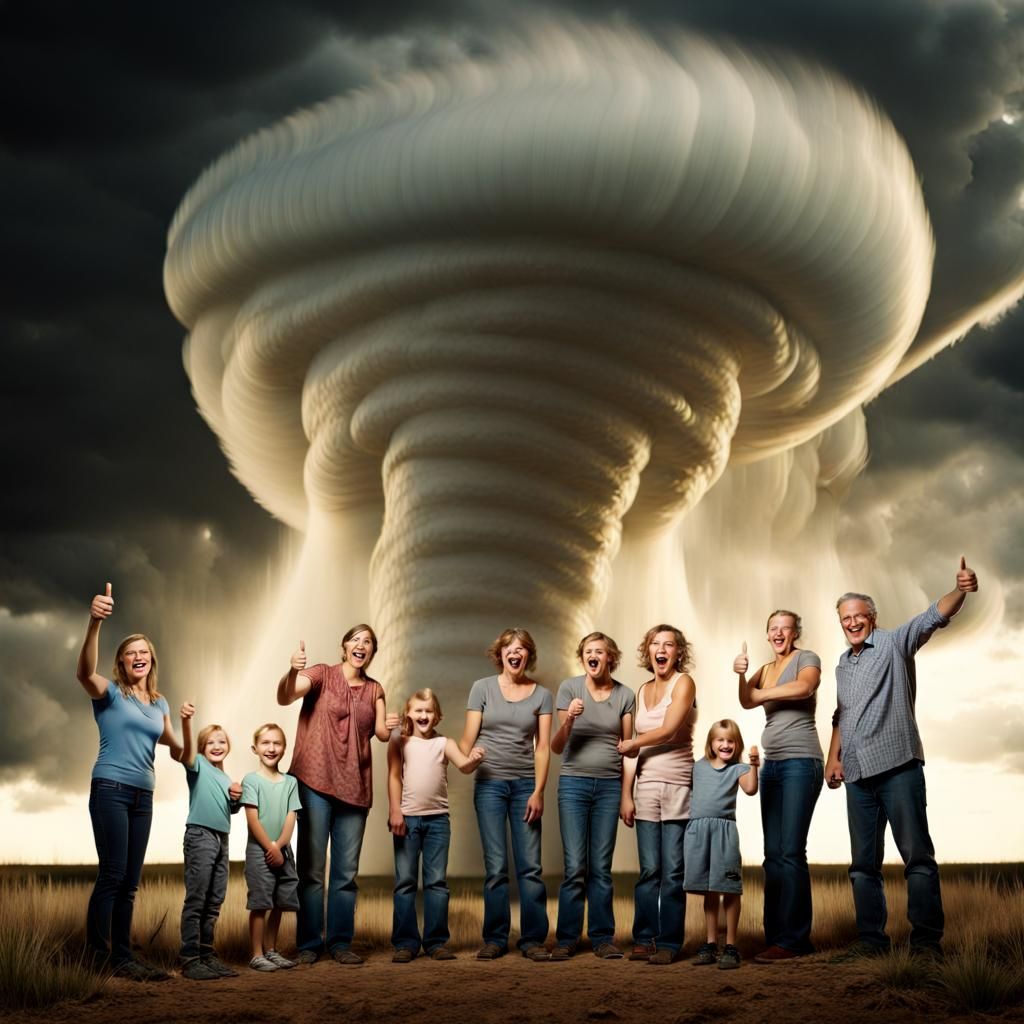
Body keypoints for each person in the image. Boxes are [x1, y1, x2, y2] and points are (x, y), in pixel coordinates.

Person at [826, 557, 979, 960]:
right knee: (862, 866)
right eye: (846, 618)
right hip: (857, 775)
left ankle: (927, 944)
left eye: (859, 616)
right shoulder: (843, 664)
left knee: (917, 857)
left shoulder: (895, 643)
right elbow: (841, 713)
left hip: (897, 766)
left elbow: (934, 615)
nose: (853, 623)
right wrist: (833, 758)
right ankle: (871, 941)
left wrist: (960, 589)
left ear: (872, 618)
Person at [76, 581, 182, 981]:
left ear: (152, 661)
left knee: (130, 882)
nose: (138, 657)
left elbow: (178, 748)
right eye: (130, 653)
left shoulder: (159, 704)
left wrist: (191, 731)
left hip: (144, 796)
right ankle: (96, 957)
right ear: (121, 662)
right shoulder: (109, 693)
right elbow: (83, 671)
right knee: (113, 875)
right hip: (111, 790)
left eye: (144, 653)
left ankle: (122, 957)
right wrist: (94, 622)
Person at [277, 627, 397, 965]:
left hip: (355, 789)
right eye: (356, 640)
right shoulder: (320, 674)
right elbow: (286, 696)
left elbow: (382, 734)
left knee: (345, 873)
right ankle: (309, 945)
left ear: (372, 652)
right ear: (344, 646)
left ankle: (341, 943)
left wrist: (392, 726)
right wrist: (292, 670)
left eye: (368, 642)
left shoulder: (375, 689)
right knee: (312, 870)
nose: (361, 645)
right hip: (314, 781)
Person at [734, 610, 823, 961]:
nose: (779, 633)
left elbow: (805, 687)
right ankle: (777, 938)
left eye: (785, 628)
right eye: (773, 628)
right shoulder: (765, 669)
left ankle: (795, 940)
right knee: (772, 857)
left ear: (795, 632)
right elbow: (745, 699)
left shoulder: (806, 658)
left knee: (790, 852)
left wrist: (760, 694)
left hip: (802, 763)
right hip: (772, 767)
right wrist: (742, 676)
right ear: (766, 634)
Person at [461, 627, 553, 961]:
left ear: (528, 655)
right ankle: (495, 939)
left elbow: (542, 747)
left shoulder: (542, 694)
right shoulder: (481, 688)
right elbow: (466, 740)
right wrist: (466, 760)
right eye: (509, 648)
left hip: (525, 786)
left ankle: (532, 940)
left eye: (522, 649)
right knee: (496, 866)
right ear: (499, 654)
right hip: (489, 786)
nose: (515, 653)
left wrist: (539, 791)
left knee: (530, 867)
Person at [549, 631, 635, 961]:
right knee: (574, 867)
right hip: (573, 785)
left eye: (600, 651)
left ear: (610, 657)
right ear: (582, 657)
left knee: (600, 866)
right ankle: (567, 938)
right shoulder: (570, 689)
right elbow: (557, 747)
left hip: (610, 788)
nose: (593, 655)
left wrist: (627, 795)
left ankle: (602, 938)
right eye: (588, 651)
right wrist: (569, 718)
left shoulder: (625, 694)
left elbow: (628, 750)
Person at [618, 624, 697, 965]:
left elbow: (670, 729)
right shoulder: (641, 690)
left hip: (679, 783)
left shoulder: (685, 683)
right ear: (648, 651)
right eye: (655, 644)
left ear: (679, 652)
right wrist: (626, 794)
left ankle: (669, 943)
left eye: (668, 644)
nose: (661, 649)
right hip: (646, 786)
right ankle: (644, 938)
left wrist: (635, 741)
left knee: (673, 871)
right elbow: (632, 755)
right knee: (649, 870)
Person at [387, 689, 486, 962]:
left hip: (438, 820)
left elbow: (464, 766)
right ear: (408, 713)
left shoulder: (444, 743)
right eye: (418, 710)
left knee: (436, 883)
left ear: (438, 716)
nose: (423, 715)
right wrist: (395, 810)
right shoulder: (400, 742)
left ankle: (435, 942)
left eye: (429, 711)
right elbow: (394, 776)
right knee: (406, 882)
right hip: (406, 819)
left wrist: (475, 759)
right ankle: (405, 943)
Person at [684, 720, 760, 970]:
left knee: (729, 888)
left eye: (730, 740)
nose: (725, 744)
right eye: (720, 740)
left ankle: (731, 946)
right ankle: (709, 943)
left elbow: (750, 789)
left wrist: (754, 765)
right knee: (709, 890)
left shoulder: (739, 769)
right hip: (699, 832)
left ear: (736, 744)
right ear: (711, 743)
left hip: (724, 832)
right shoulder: (697, 767)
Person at [177, 705, 243, 979]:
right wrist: (187, 722)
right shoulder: (198, 765)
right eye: (210, 742)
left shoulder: (225, 777)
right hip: (200, 835)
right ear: (202, 747)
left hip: (221, 839)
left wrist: (236, 798)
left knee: (215, 899)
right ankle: (190, 958)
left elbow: (229, 810)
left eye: (222, 741)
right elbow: (186, 753)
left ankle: (206, 954)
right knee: (197, 898)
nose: (217, 746)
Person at [242, 723, 302, 972]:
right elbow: (252, 820)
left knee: (279, 902)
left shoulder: (290, 782)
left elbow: (291, 817)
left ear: (285, 749)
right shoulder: (251, 781)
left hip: (283, 850)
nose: (271, 748)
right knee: (260, 903)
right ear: (255, 748)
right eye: (266, 743)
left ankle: (271, 950)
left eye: (277, 743)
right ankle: (256, 954)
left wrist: (280, 846)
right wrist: (270, 847)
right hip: (260, 850)